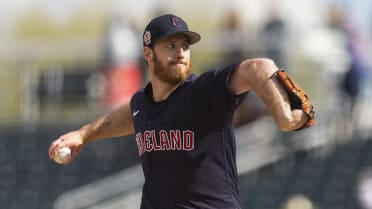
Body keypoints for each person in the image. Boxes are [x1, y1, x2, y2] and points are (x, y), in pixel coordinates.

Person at [49, 14, 313, 209]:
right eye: (170, 45)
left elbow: (259, 67)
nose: (181, 52)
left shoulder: (202, 92)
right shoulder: (142, 103)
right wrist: (83, 135)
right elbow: (129, 114)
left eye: (185, 46)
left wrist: (286, 115)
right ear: (148, 54)